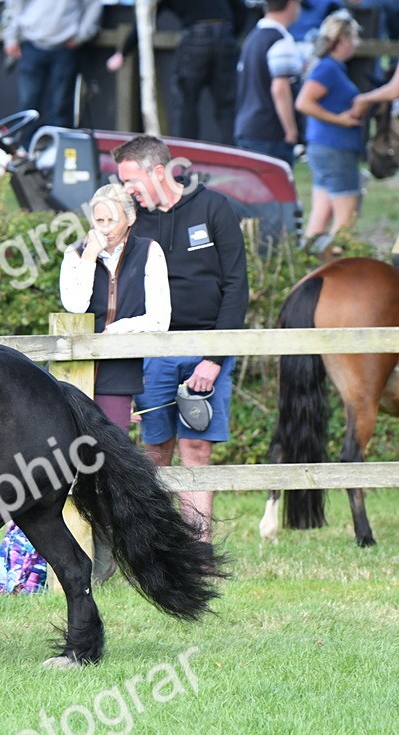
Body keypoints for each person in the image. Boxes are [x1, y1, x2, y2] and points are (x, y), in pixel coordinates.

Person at [113, 135, 249, 542]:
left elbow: (236, 286)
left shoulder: (214, 207)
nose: (127, 190)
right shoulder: (133, 220)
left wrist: (214, 357)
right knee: (155, 449)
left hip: (205, 349)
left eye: (131, 180)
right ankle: (157, 547)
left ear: (158, 172)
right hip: (152, 351)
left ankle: (198, 549)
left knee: (197, 449)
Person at [59, 183, 172, 433]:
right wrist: (90, 255)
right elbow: (75, 306)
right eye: (100, 220)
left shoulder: (149, 251)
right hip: (72, 369)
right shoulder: (75, 253)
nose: (106, 228)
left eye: (113, 219)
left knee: (112, 453)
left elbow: (159, 319)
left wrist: (118, 328)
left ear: (130, 218)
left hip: (119, 372)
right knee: (66, 453)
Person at [105, 0, 247, 144]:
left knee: (186, 102)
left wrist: (122, 52)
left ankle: (186, 156)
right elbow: (241, 9)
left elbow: (146, 18)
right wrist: (230, 36)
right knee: (227, 106)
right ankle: (234, 155)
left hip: (196, 35)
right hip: (225, 34)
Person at [295, 11, 365, 250]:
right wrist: (338, 120)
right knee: (345, 220)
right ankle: (336, 268)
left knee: (320, 216)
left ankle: (305, 265)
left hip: (324, 147)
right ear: (341, 40)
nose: (356, 44)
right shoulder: (328, 69)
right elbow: (304, 102)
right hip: (336, 148)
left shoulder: (330, 68)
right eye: (354, 38)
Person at [2, 0, 104, 147]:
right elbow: (13, 5)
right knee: (28, 103)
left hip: (66, 47)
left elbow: (93, 6)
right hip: (30, 44)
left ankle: (59, 152)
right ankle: (23, 150)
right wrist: (10, 38)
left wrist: (81, 36)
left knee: (61, 104)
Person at [235, 0, 304, 165]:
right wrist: (291, 130)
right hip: (270, 133)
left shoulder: (252, 38)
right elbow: (280, 88)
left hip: (246, 127)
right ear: (292, 3)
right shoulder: (280, 40)